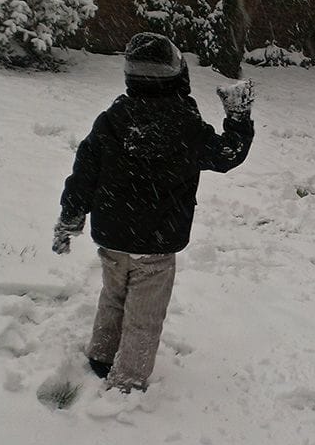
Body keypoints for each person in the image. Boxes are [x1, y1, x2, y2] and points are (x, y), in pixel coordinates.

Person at [52, 32, 254, 392]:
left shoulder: (113, 119)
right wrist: (238, 118)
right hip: (157, 243)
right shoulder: (186, 126)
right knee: (144, 316)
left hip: (113, 235)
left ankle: (101, 355)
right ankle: (127, 382)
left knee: (113, 297)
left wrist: (71, 215)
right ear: (177, 73)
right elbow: (227, 155)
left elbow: (84, 173)